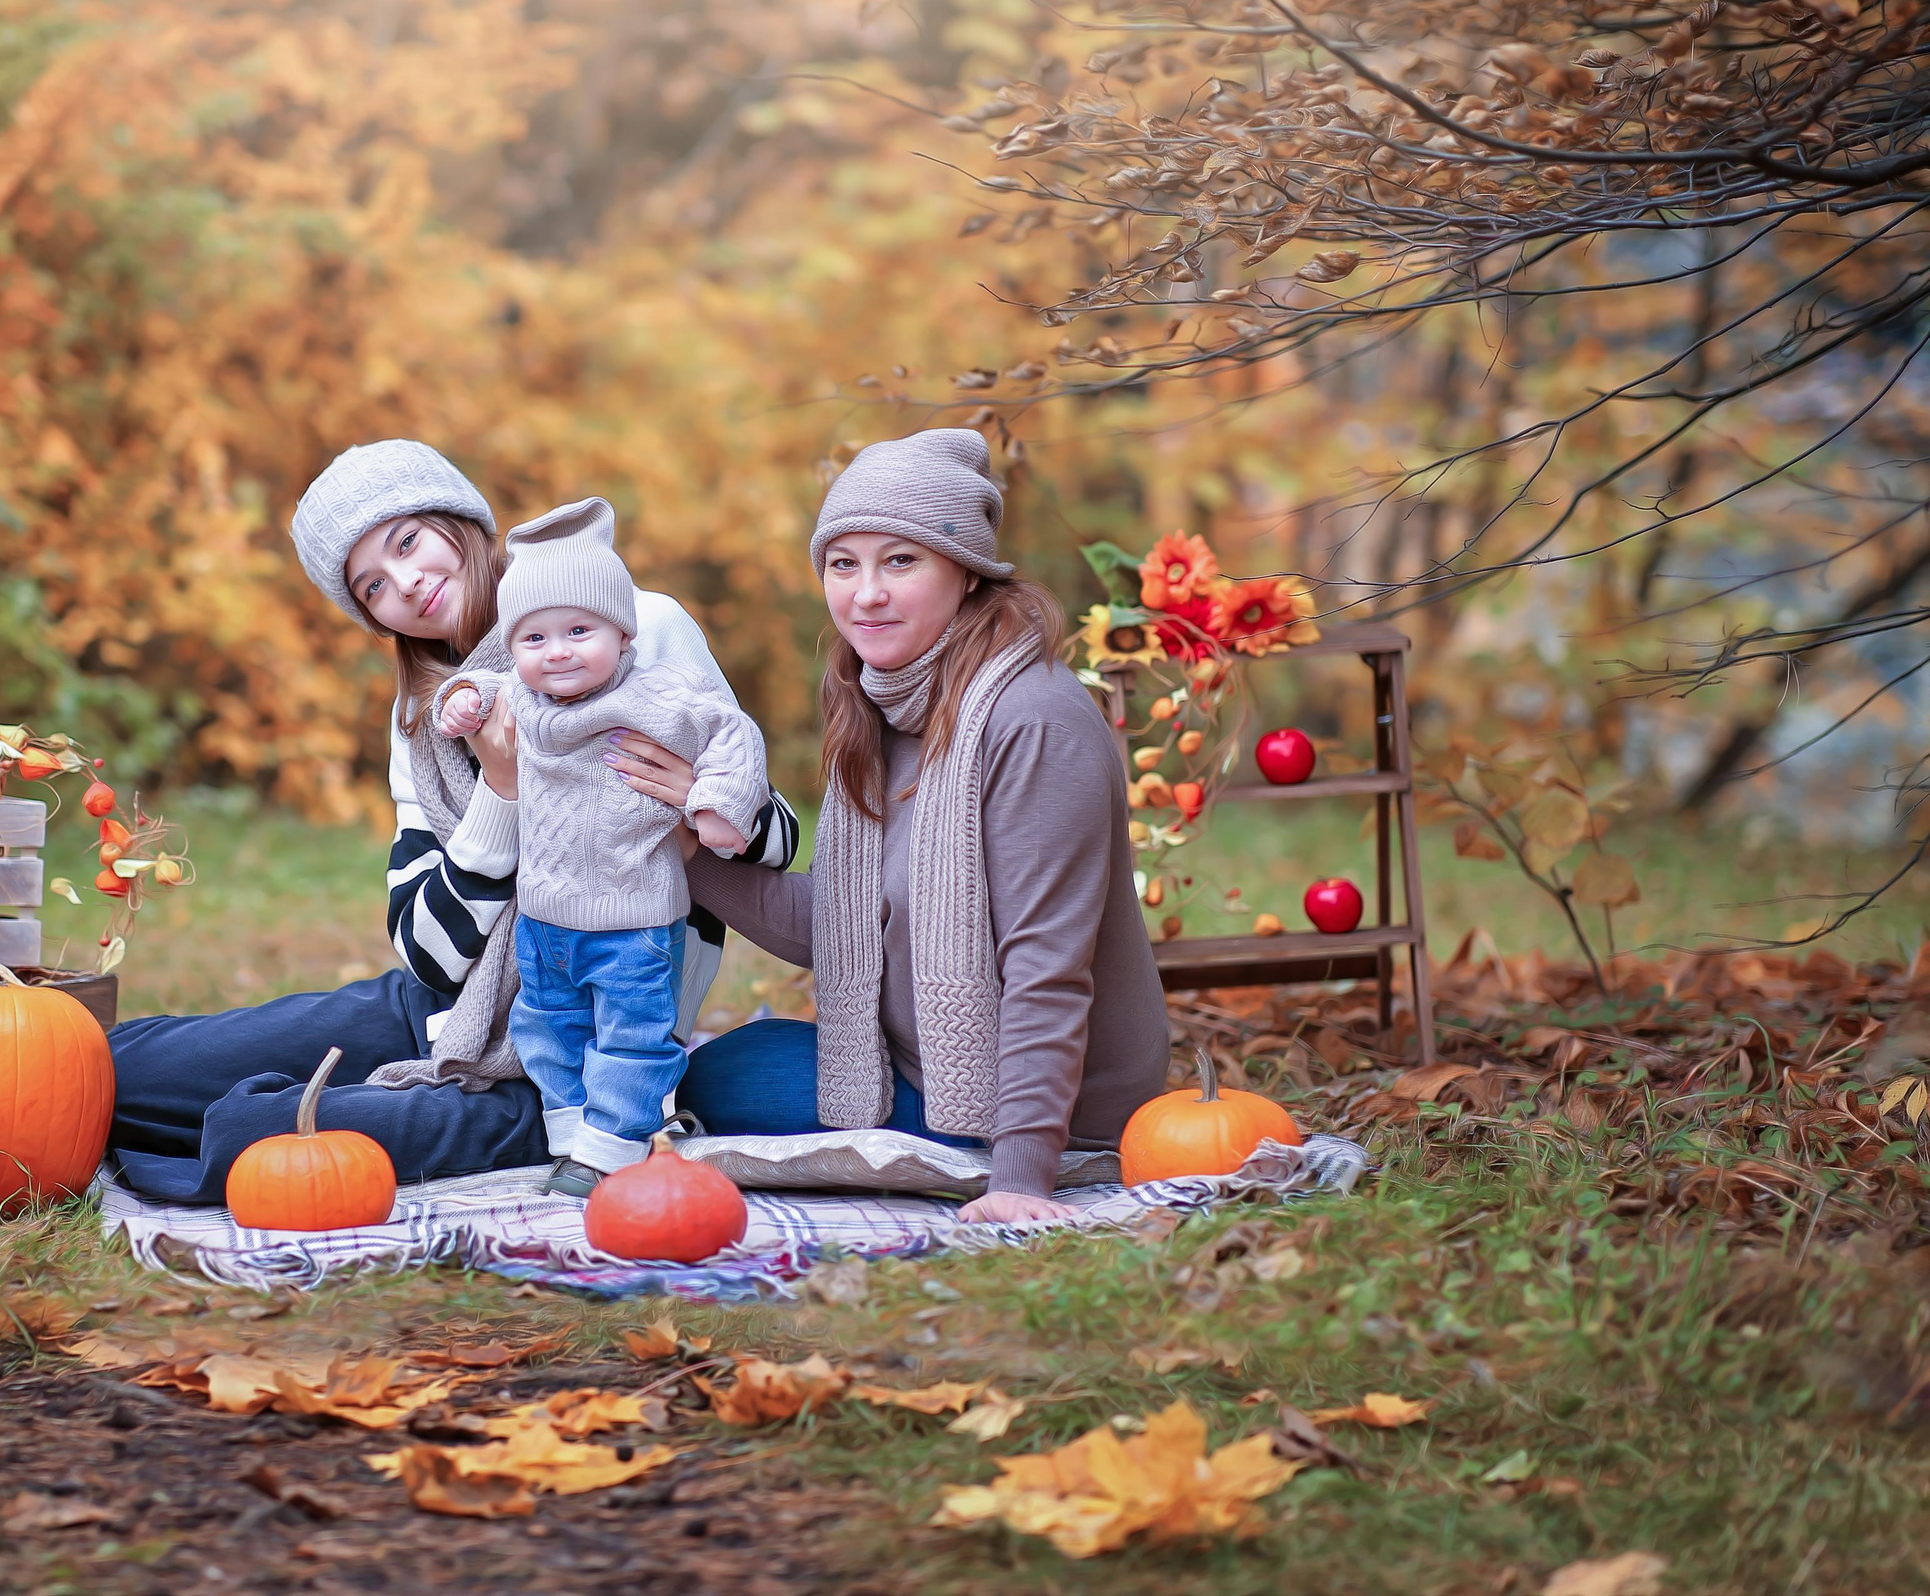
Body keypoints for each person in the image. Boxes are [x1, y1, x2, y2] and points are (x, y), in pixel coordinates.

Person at [103, 439, 800, 1203]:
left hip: (580, 1049)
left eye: (408, 542)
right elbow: (428, 956)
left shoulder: (631, 624)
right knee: (121, 1069)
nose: (406, 582)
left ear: (457, 521)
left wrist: (696, 804)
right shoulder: (424, 722)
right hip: (446, 1008)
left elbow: (777, 835)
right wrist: (500, 793)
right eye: (372, 585)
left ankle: (548, 1128)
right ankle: (264, 1100)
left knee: (260, 1133)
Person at [665, 428, 1173, 1223]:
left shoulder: (1032, 719)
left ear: (967, 574)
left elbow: (1048, 964)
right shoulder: (877, 703)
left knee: (713, 1079)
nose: (866, 594)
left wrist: (1022, 1177)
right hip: (914, 1066)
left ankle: (999, 1147)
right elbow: (839, 924)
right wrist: (684, 838)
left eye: (900, 561)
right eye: (844, 564)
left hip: (1049, 1111)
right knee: (702, 1068)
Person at [435, 498, 770, 1195]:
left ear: (622, 635)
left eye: (578, 630)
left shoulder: (657, 694)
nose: (556, 650)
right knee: (545, 1027)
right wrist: (463, 699)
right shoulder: (523, 697)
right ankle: (572, 1138)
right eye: (533, 638)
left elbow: (733, 733)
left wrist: (718, 805)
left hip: (632, 919)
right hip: (544, 920)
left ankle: (611, 1147)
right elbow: (480, 683)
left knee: (632, 1035)